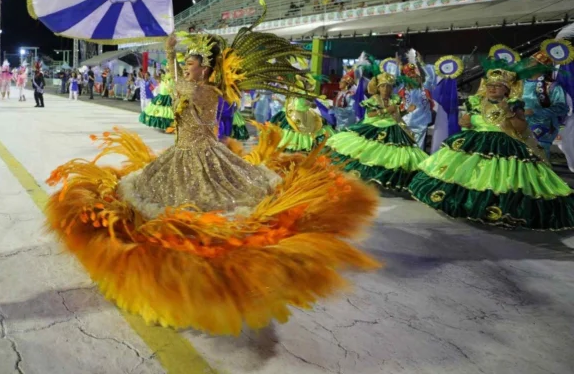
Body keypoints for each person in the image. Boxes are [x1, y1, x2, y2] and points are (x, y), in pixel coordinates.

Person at [44, 26, 379, 335]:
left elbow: (179, 89)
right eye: (187, 65)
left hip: (201, 155)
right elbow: (177, 88)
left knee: (204, 201)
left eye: (192, 65)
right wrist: (173, 55)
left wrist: (173, 55)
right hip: (183, 153)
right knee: (162, 197)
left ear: (204, 70)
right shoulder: (200, 87)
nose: (187, 68)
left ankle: (202, 272)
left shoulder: (206, 92)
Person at [409, 60, 574, 230]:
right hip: (474, 143)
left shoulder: (514, 105)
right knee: (467, 177)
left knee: (502, 181)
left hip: (505, 146)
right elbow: (464, 122)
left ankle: (494, 209)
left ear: (506, 89)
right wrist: (468, 120)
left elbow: (521, 128)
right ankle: (469, 206)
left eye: (498, 85)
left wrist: (508, 113)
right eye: (490, 85)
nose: (492, 88)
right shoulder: (475, 102)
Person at [325, 67, 428, 189]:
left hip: (393, 128)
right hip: (374, 127)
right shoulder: (374, 99)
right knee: (369, 152)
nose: (386, 89)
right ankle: (364, 176)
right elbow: (370, 114)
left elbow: (396, 115)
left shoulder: (394, 99)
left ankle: (384, 178)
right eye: (383, 86)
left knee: (393, 155)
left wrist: (406, 111)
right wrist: (385, 110)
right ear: (378, 88)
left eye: (389, 87)